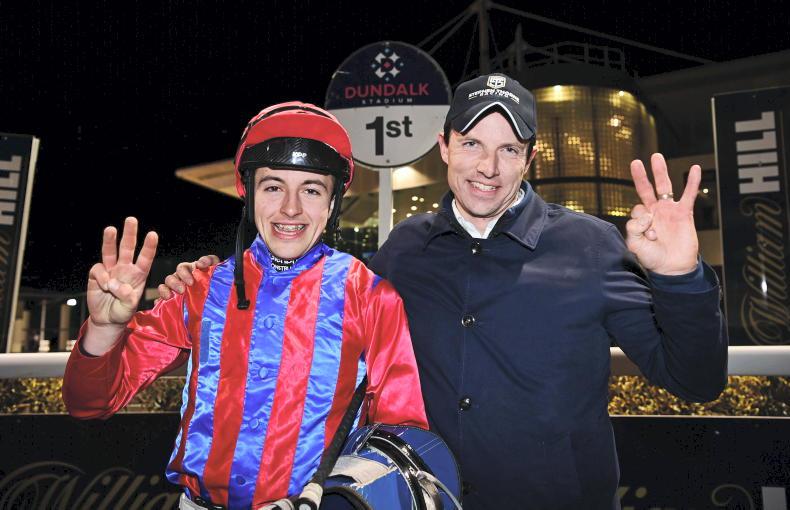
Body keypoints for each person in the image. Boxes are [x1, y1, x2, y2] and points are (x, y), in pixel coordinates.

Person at [162, 75, 727, 509]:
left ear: (530, 158)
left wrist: (681, 276)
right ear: (444, 147)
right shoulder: (404, 250)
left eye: (509, 149)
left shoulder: (593, 246)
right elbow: (319, 324)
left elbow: (697, 380)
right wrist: (216, 280)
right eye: (472, 143)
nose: (489, 167)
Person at [62, 102, 428, 510]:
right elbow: (89, 404)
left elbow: (401, 438)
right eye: (273, 187)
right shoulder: (198, 287)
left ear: (331, 203)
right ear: (249, 193)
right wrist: (104, 330)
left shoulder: (372, 298)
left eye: (311, 189)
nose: (290, 208)